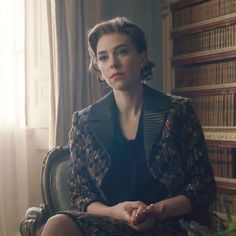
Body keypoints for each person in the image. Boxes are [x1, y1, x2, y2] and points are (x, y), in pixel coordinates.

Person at [41, 17, 216, 236]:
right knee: (58, 224)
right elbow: (81, 195)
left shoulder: (177, 111)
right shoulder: (84, 121)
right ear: (99, 67)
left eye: (121, 52)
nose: (113, 63)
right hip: (111, 221)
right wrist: (114, 212)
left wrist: (157, 211)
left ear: (142, 58)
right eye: (103, 57)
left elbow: (202, 185)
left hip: (168, 222)